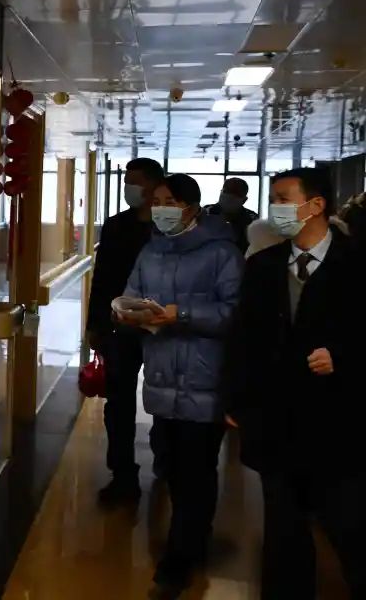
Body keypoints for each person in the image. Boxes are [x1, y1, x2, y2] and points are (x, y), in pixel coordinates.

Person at [225, 168, 365, 598]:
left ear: (316, 205)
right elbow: (242, 337)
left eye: (284, 199)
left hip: (339, 424)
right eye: (273, 200)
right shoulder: (263, 266)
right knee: (283, 531)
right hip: (275, 422)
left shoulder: (358, 264)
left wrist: (343, 357)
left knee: (347, 525)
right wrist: (236, 400)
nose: (275, 209)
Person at [118, 174, 241, 598]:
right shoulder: (151, 250)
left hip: (204, 380)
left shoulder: (222, 253)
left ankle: (176, 564)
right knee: (170, 466)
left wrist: (182, 313)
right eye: (156, 201)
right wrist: (127, 312)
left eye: (169, 201)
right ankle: (192, 542)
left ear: (191, 208)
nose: (160, 208)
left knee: (194, 474)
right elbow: (132, 293)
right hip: (161, 379)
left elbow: (234, 313)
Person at [87, 156, 166, 505]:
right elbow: (102, 278)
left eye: (135, 181)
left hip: (161, 327)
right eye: (126, 181)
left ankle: (166, 463)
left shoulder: (167, 227)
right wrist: (95, 325)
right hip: (119, 328)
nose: (128, 188)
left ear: (154, 185)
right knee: (118, 404)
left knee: (163, 399)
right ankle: (122, 475)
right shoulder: (116, 226)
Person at [204, 177, 258, 254]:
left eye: (236, 194)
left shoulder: (251, 219)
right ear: (221, 192)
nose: (230, 196)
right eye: (226, 191)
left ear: (244, 200)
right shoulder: (206, 213)